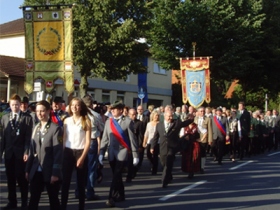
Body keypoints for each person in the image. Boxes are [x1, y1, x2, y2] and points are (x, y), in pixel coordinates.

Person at [98, 101, 139, 207]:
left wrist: (135, 155)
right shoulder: (108, 122)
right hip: (111, 151)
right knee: (117, 175)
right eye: (111, 109)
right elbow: (104, 139)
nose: (112, 111)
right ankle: (121, 194)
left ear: (121, 110)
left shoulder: (128, 121)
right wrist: (101, 153)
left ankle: (110, 197)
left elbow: (132, 139)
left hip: (122, 151)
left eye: (115, 109)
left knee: (116, 174)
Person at [25, 100, 63, 210]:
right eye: (37, 111)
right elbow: (32, 151)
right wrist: (28, 169)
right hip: (36, 169)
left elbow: (58, 152)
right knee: (33, 200)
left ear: (48, 111)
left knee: (54, 200)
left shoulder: (55, 129)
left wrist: (55, 173)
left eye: (42, 111)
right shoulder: (36, 127)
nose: (40, 114)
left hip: (50, 170)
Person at [0, 94, 33, 210]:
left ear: (20, 105)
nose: (15, 107)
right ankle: (12, 202)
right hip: (9, 153)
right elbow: (3, 137)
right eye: (13, 105)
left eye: (17, 105)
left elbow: (29, 138)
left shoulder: (27, 118)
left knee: (22, 179)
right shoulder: (5, 118)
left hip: (21, 154)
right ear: (10, 105)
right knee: (10, 179)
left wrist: (26, 151)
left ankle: (24, 202)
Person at [150, 109, 194, 188]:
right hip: (163, 147)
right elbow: (155, 137)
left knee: (168, 164)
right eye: (169, 116)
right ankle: (169, 175)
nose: (170, 118)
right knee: (163, 163)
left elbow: (185, 123)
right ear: (164, 116)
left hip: (172, 147)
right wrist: (152, 146)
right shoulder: (159, 125)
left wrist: (191, 119)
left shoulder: (176, 123)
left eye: (171, 116)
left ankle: (164, 181)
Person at [61, 98, 91, 210]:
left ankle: (81, 207)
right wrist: (63, 153)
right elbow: (64, 138)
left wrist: (82, 157)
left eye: (77, 105)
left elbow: (88, 141)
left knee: (80, 183)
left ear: (81, 107)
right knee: (65, 182)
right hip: (68, 152)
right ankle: (63, 206)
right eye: (72, 105)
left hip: (80, 151)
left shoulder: (86, 120)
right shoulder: (66, 121)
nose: (74, 107)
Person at [82, 95, 104, 200]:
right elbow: (101, 128)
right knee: (91, 168)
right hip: (91, 141)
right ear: (91, 104)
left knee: (81, 168)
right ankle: (89, 192)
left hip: (80, 142)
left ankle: (79, 191)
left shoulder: (79, 115)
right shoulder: (95, 115)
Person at [126, 108, 144, 182]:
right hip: (127, 144)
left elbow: (140, 135)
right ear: (129, 115)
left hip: (135, 144)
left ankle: (130, 175)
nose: (134, 116)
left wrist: (140, 145)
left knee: (132, 161)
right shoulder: (126, 122)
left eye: (135, 114)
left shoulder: (139, 123)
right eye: (132, 114)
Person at [194, 107, 212, 173]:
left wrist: (210, 140)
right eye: (201, 111)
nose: (202, 112)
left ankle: (202, 167)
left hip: (204, 139)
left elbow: (210, 130)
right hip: (196, 138)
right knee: (196, 153)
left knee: (202, 153)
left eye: (203, 111)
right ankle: (197, 166)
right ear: (198, 112)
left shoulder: (208, 119)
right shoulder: (195, 118)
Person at [143, 110, 160, 175]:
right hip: (149, 141)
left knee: (155, 156)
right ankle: (153, 163)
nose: (157, 117)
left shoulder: (160, 124)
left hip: (157, 142)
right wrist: (144, 141)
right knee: (148, 155)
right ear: (152, 116)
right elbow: (146, 133)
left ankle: (154, 170)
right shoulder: (149, 124)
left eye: (158, 116)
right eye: (156, 115)